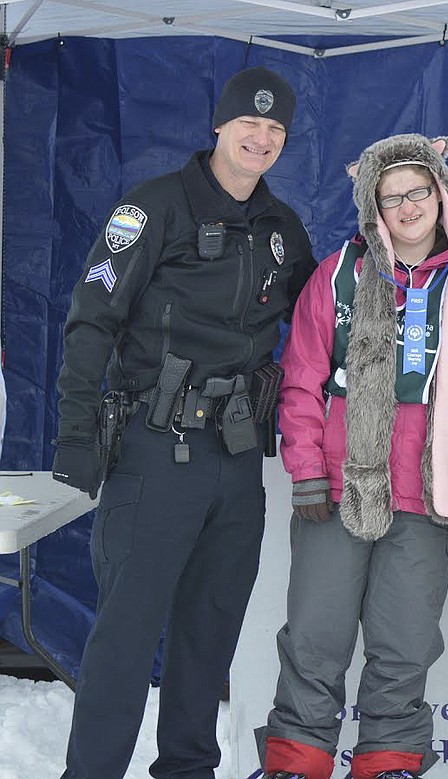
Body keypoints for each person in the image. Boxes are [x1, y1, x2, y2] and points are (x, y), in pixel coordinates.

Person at [50, 67, 315, 779]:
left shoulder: (282, 228)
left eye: (275, 130)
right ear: (219, 127)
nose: (260, 139)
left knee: (208, 637)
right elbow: (89, 324)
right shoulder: (152, 209)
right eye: (248, 124)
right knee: (125, 639)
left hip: (236, 461)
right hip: (153, 451)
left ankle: (188, 770)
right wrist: (76, 435)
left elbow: (327, 317)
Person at [259, 134, 448, 779]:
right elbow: (301, 376)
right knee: (315, 638)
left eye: (420, 192)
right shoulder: (339, 275)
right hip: (341, 489)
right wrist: (306, 470)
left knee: (405, 644)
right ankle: (296, 762)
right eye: (393, 198)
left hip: (424, 494)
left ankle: (388, 761)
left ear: (443, 197)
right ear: (373, 209)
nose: (409, 207)